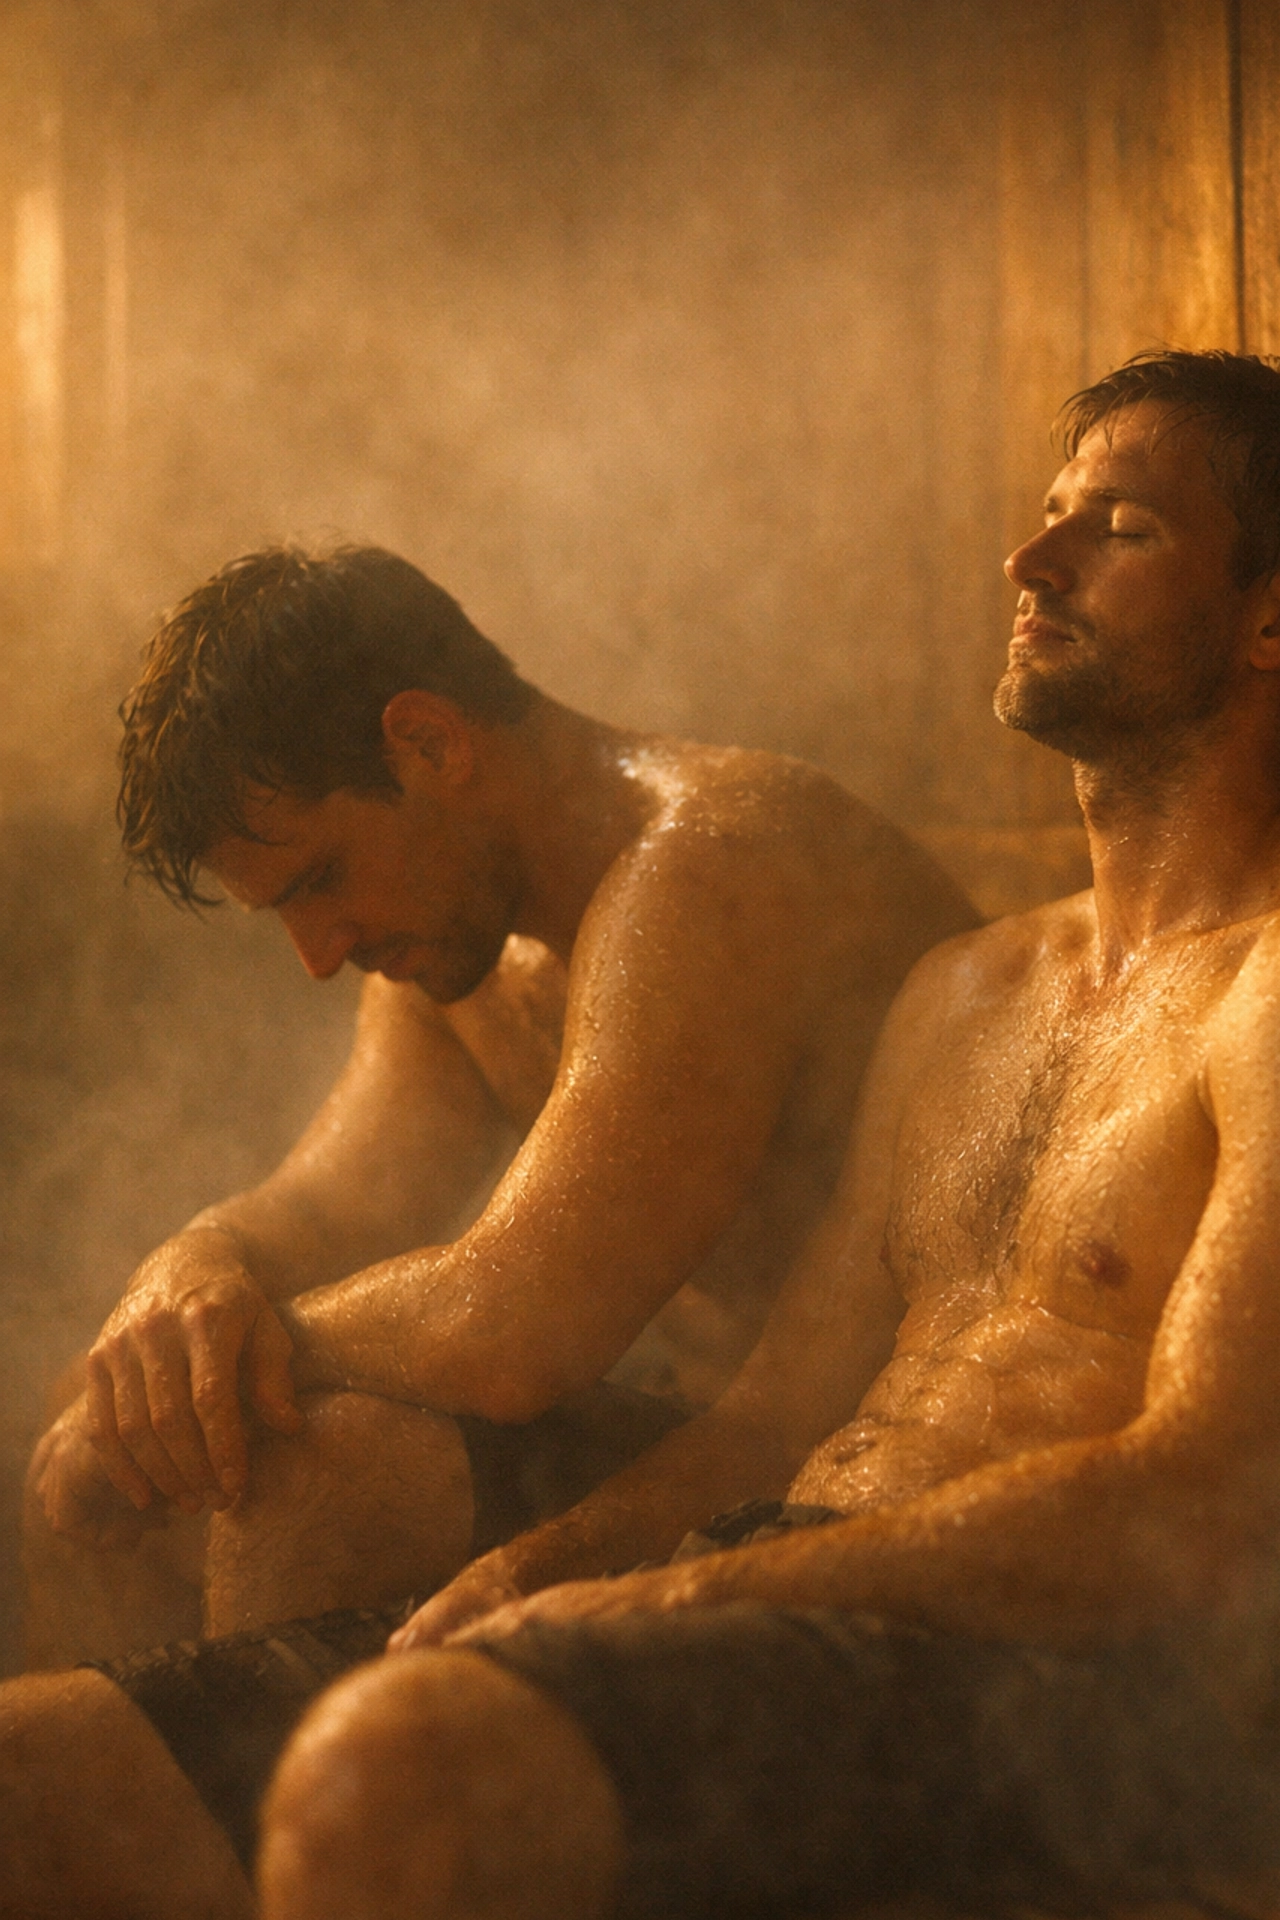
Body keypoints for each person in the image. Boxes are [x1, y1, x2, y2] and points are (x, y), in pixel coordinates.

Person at [0, 352, 1280, 1920]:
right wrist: (545, 1562)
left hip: (1072, 1682)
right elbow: (758, 1418)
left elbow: (1209, 1497)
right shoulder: (974, 988)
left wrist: (681, 1584)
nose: (1030, 565)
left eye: (1112, 530)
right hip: (800, 1574)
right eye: (1041, 522)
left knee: (391, 1768)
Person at [23, 545, 977, 1666]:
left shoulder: (708, 868)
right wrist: (188, 1271)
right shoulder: (464, 949)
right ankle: (126, 1821)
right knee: (116, 1459)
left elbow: (514, 1329)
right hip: (687, 1418)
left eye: (320, 879)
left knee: (298, 1469)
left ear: (429, 742)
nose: (319, 957)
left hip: (862, 1451)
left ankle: (273, 1833)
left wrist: (235, 1354)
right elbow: (333, 1206)